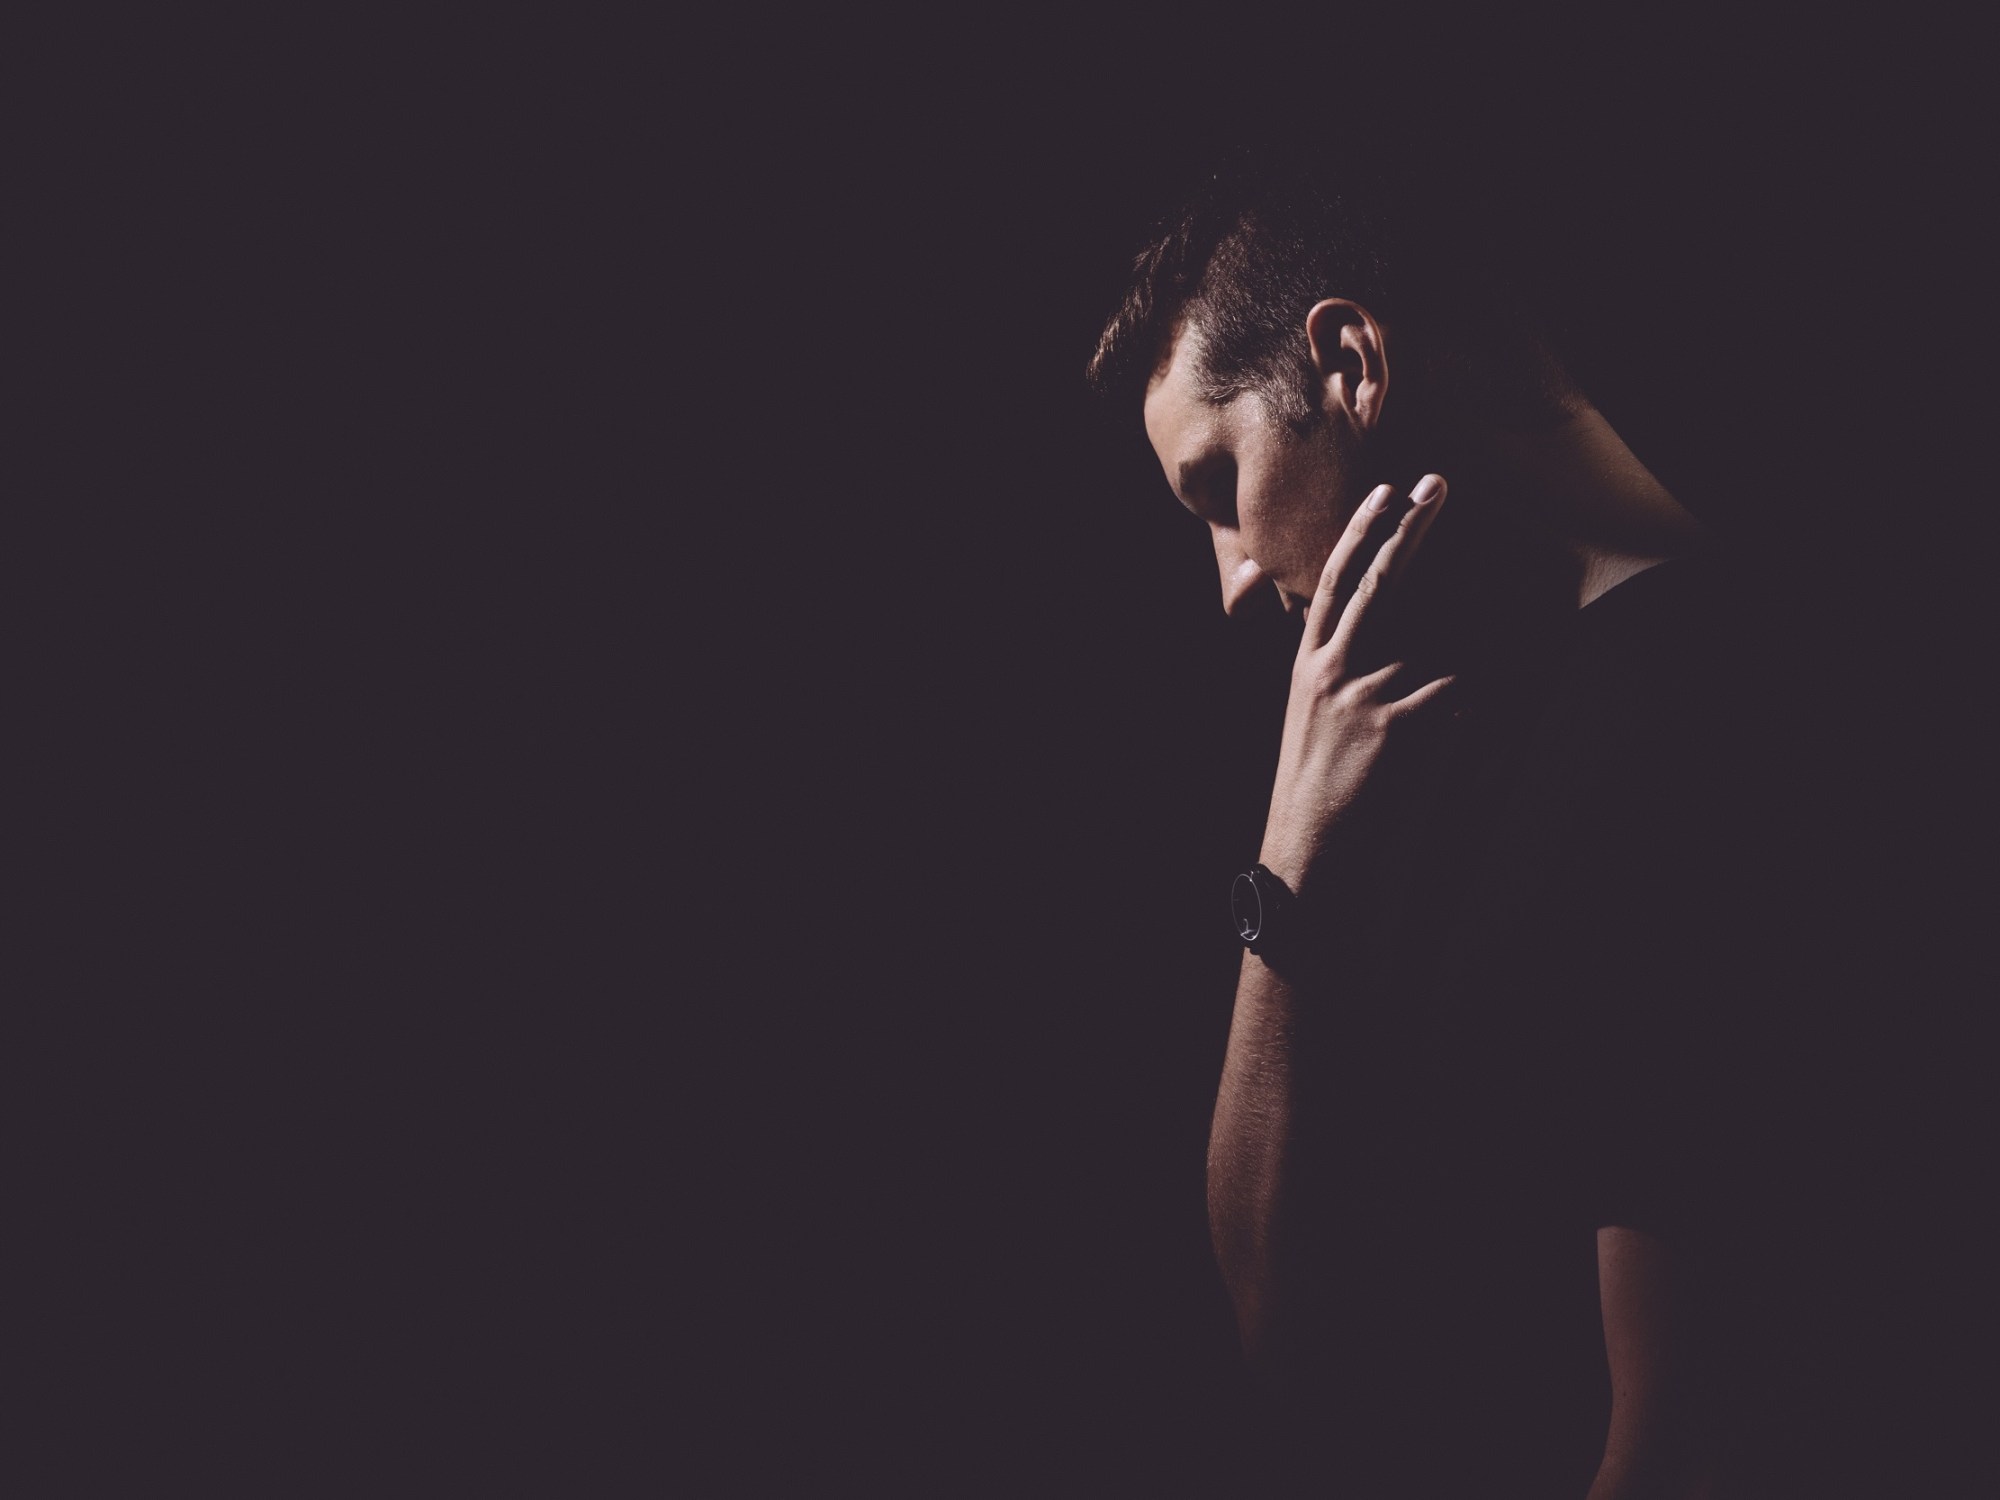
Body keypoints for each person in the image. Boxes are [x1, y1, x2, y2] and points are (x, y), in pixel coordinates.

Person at [1085, 155, 1862, 1496]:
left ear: (1350, 364)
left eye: (1219, 488)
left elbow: (1681, 1440)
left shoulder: (1710, 715)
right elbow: (1275, 1332)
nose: (1229, 584)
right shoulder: (1434, 729)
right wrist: (1287, 855)